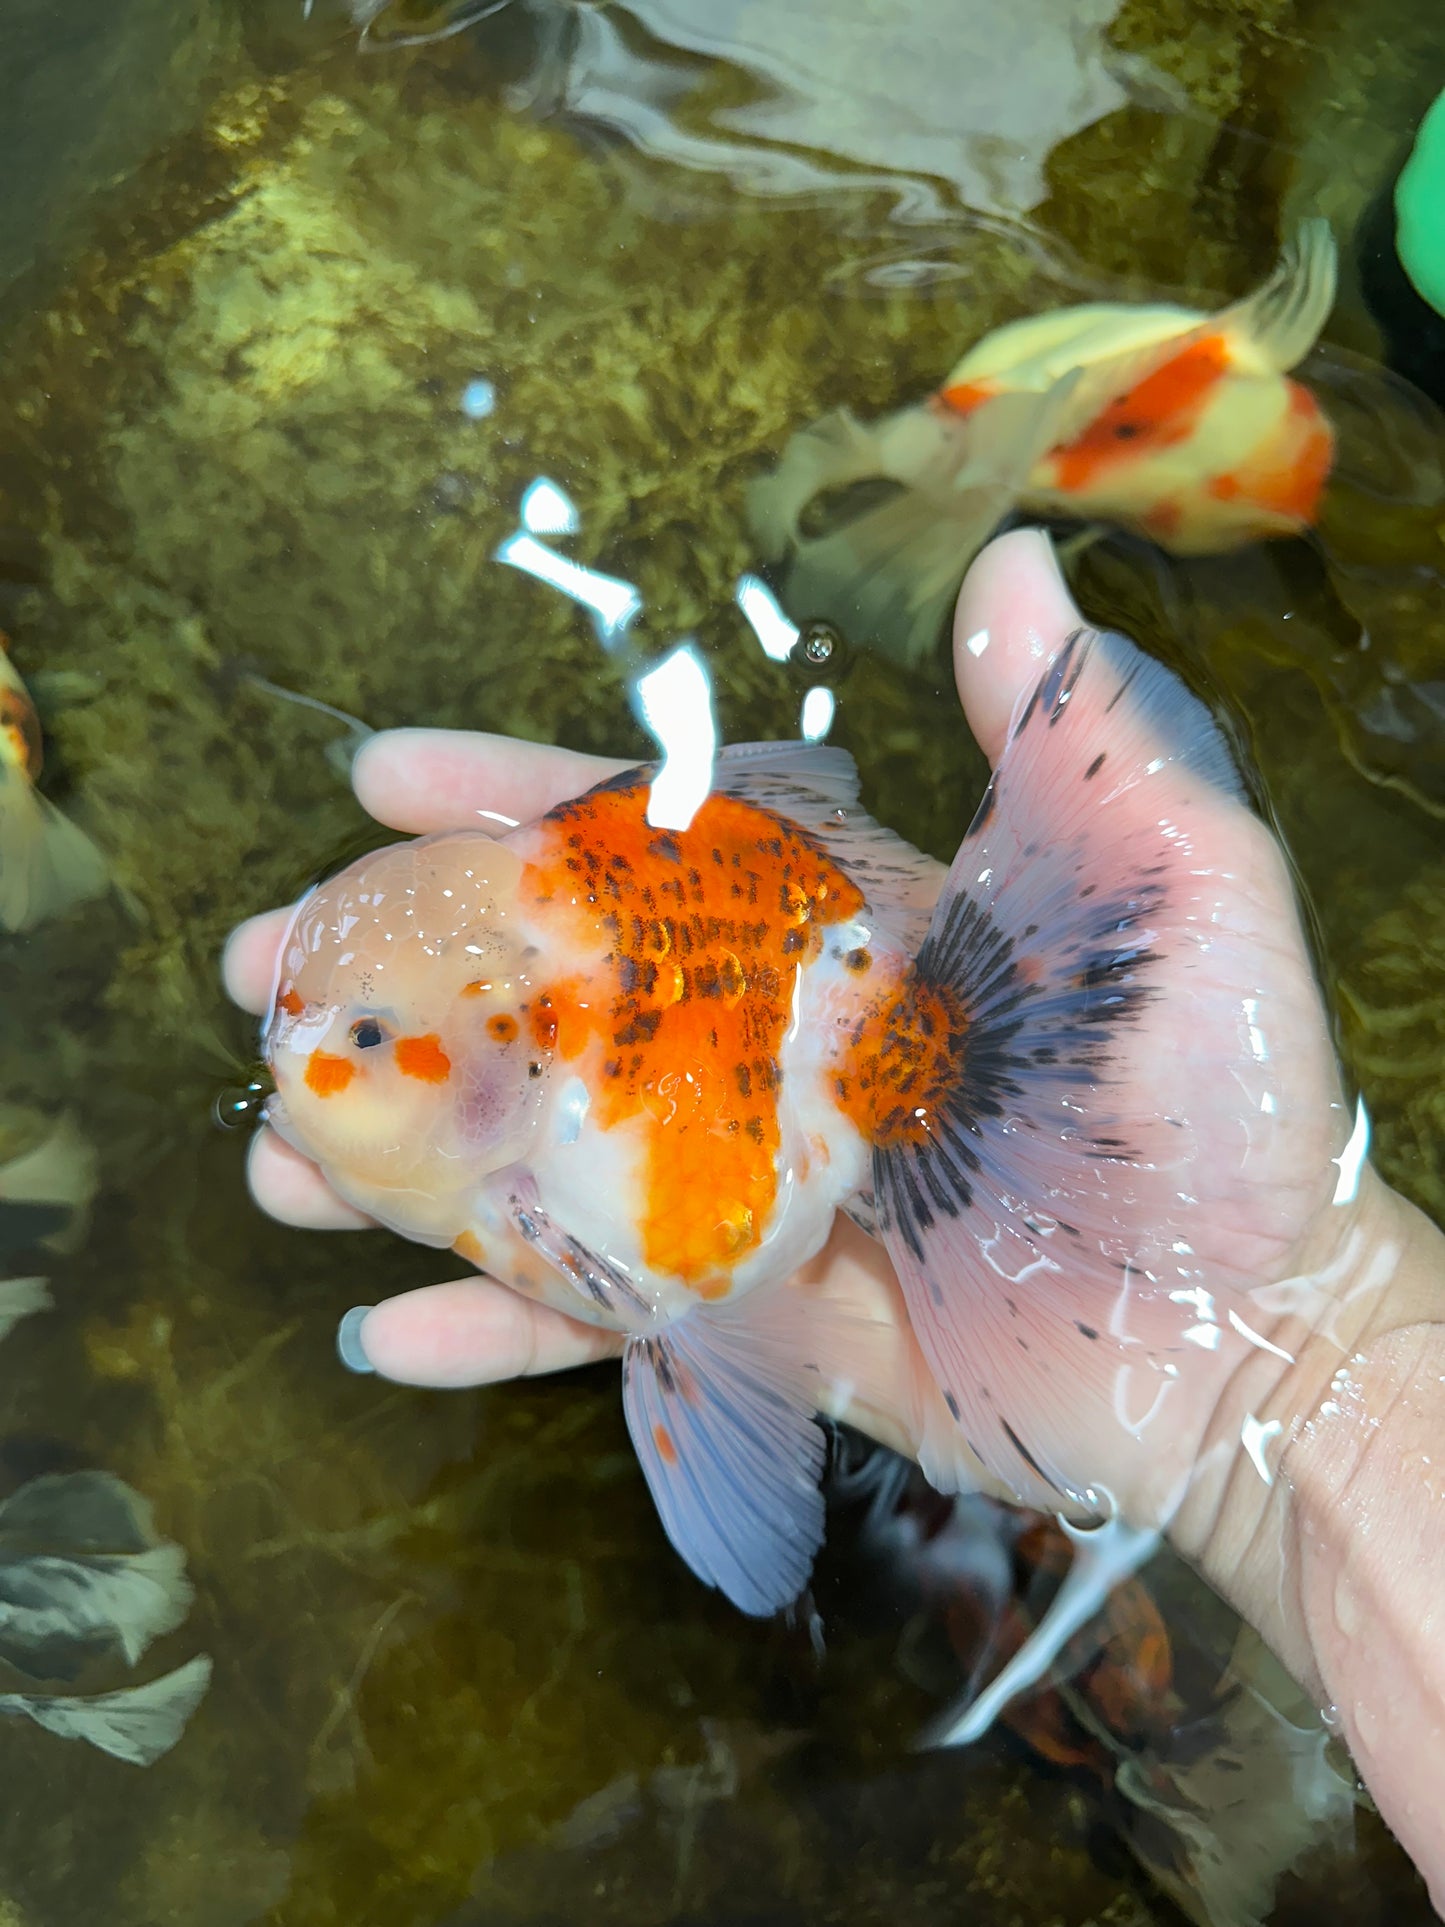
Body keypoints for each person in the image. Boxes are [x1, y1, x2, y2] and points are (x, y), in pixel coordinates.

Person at [224, 530, 1445, 1904]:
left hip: (802, 1070)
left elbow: (649, 1289)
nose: (309, 1060)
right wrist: (1292, 1360)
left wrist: (1287, 1361)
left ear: (503, 1044)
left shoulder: (552, 1105)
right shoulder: (512, 1012)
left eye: (368, 1036)